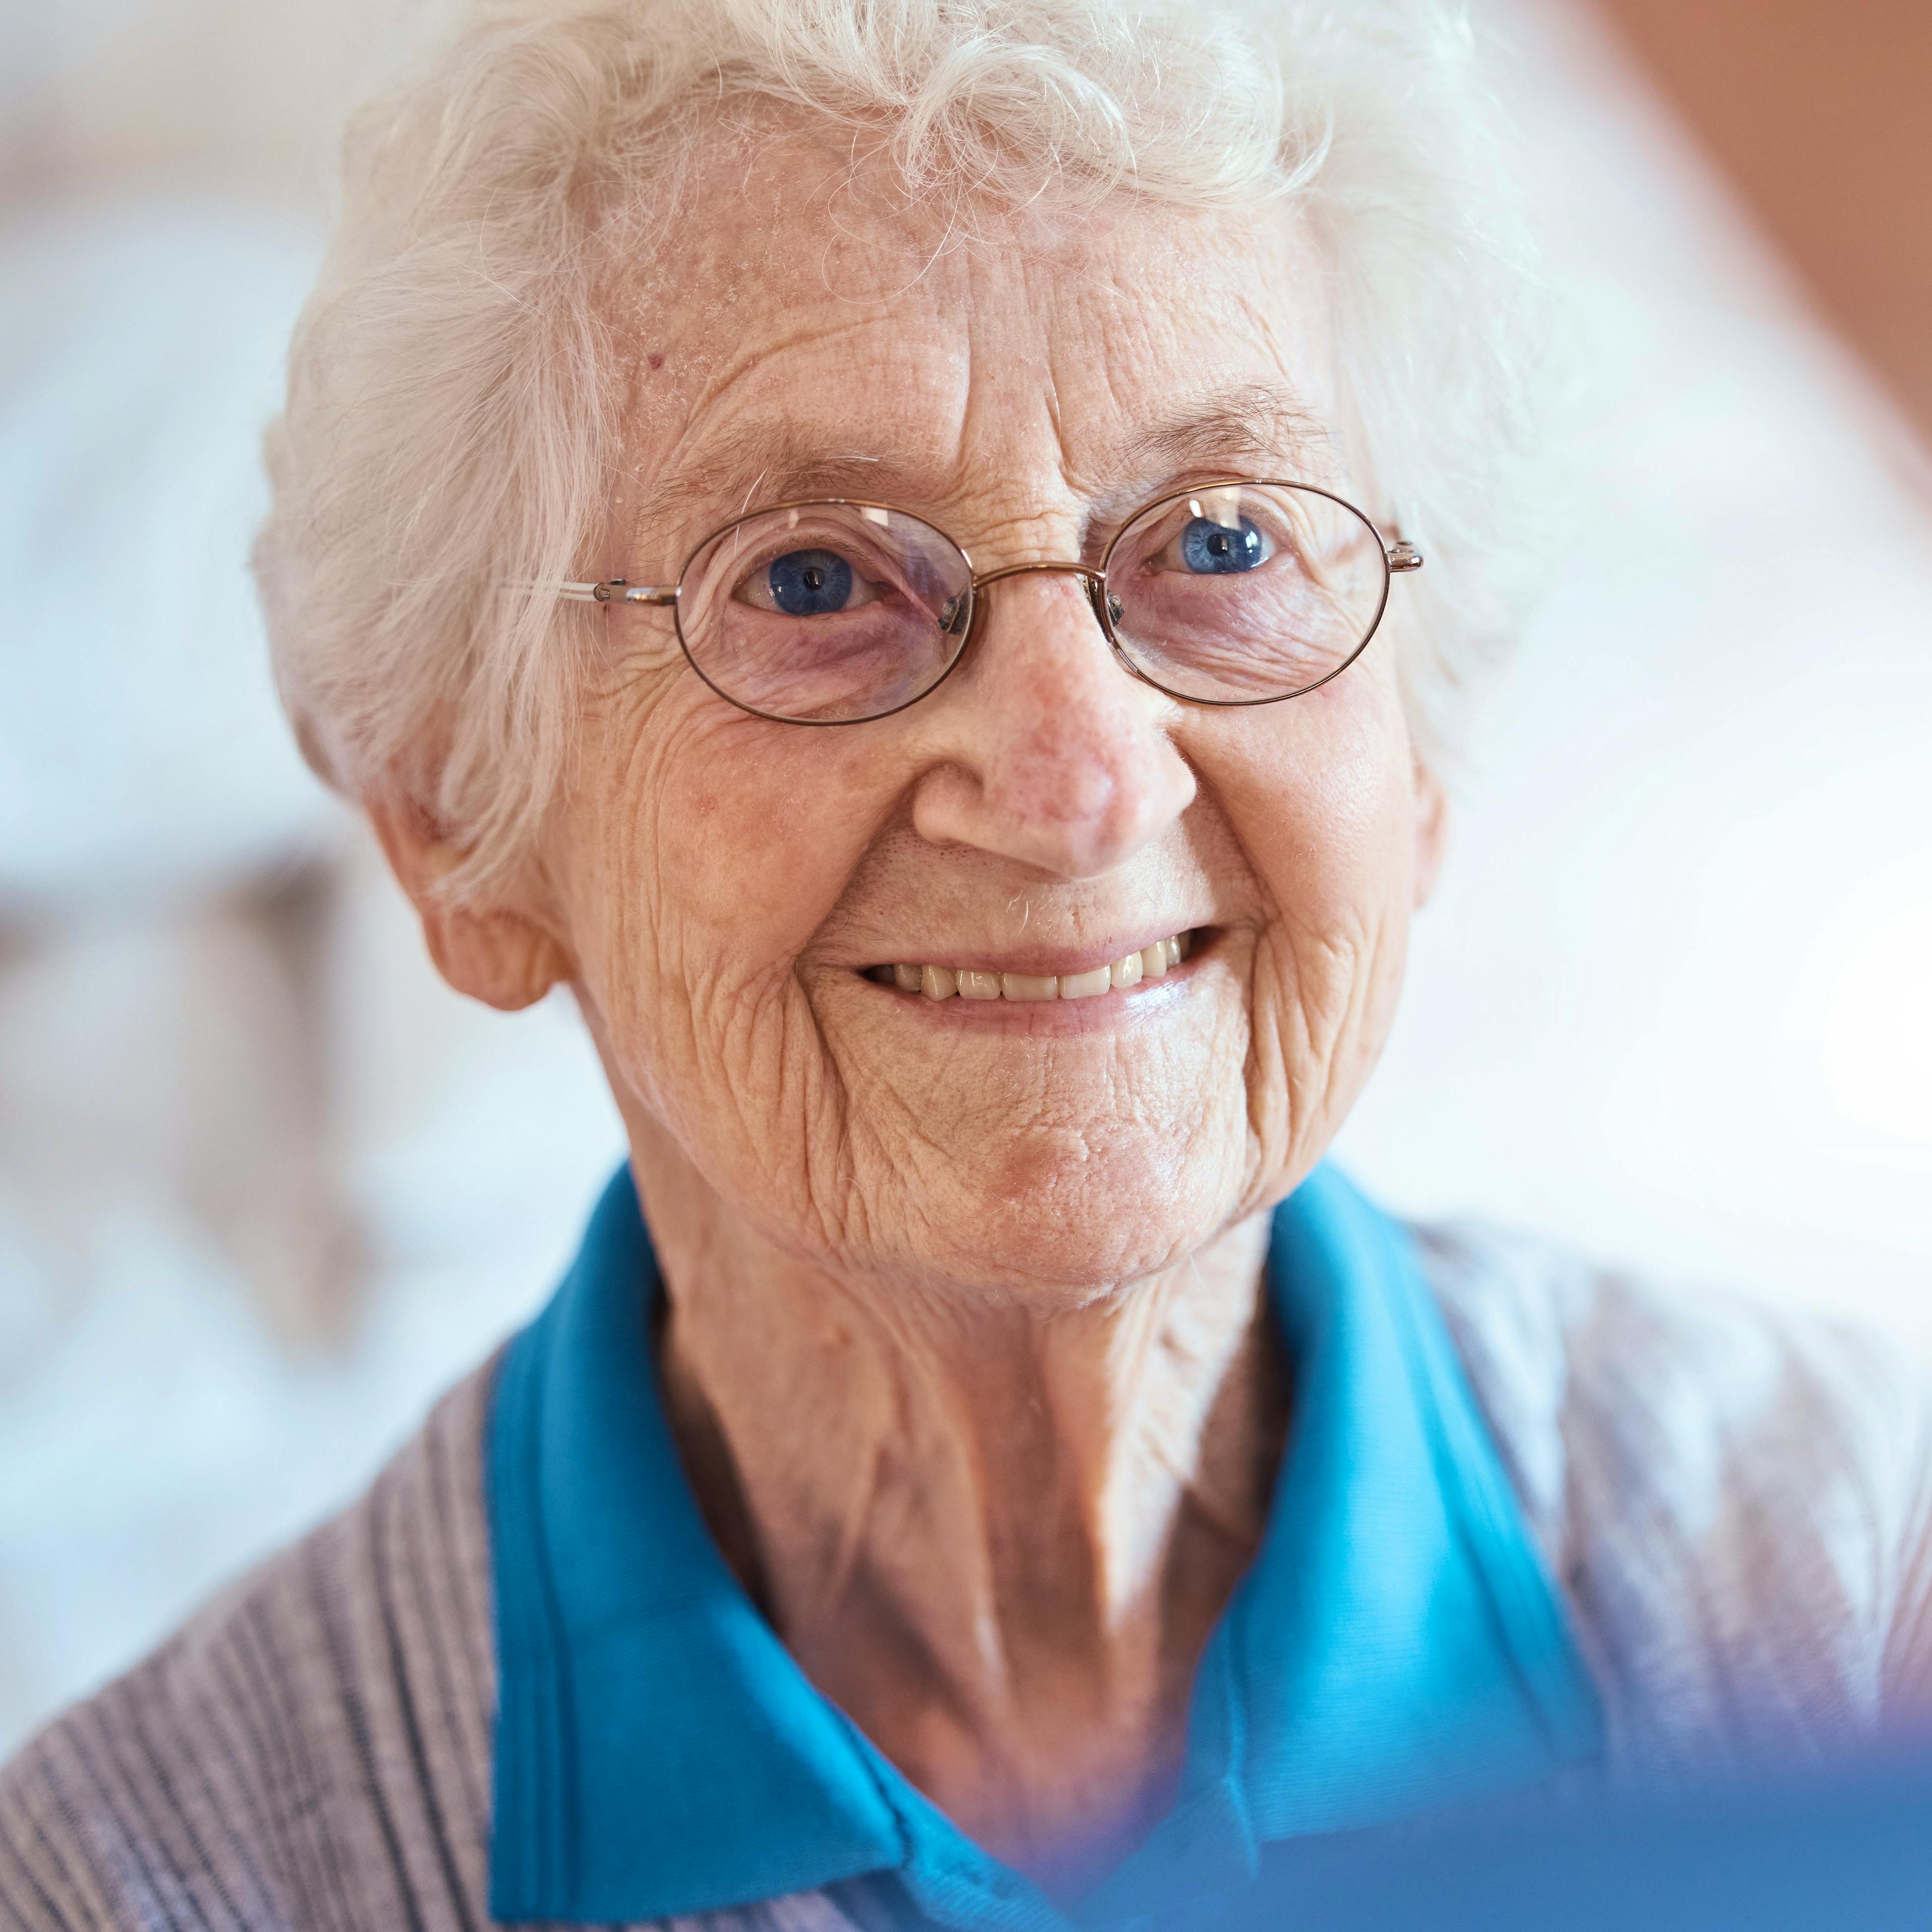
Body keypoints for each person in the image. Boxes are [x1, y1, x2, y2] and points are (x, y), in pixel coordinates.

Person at [4, 2, 1930, 1926]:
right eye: (813, 581)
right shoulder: (146, 1883)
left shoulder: (1865, 1593)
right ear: (460, 827)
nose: (1080, 779)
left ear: (1420, 756)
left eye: (1227, 538)